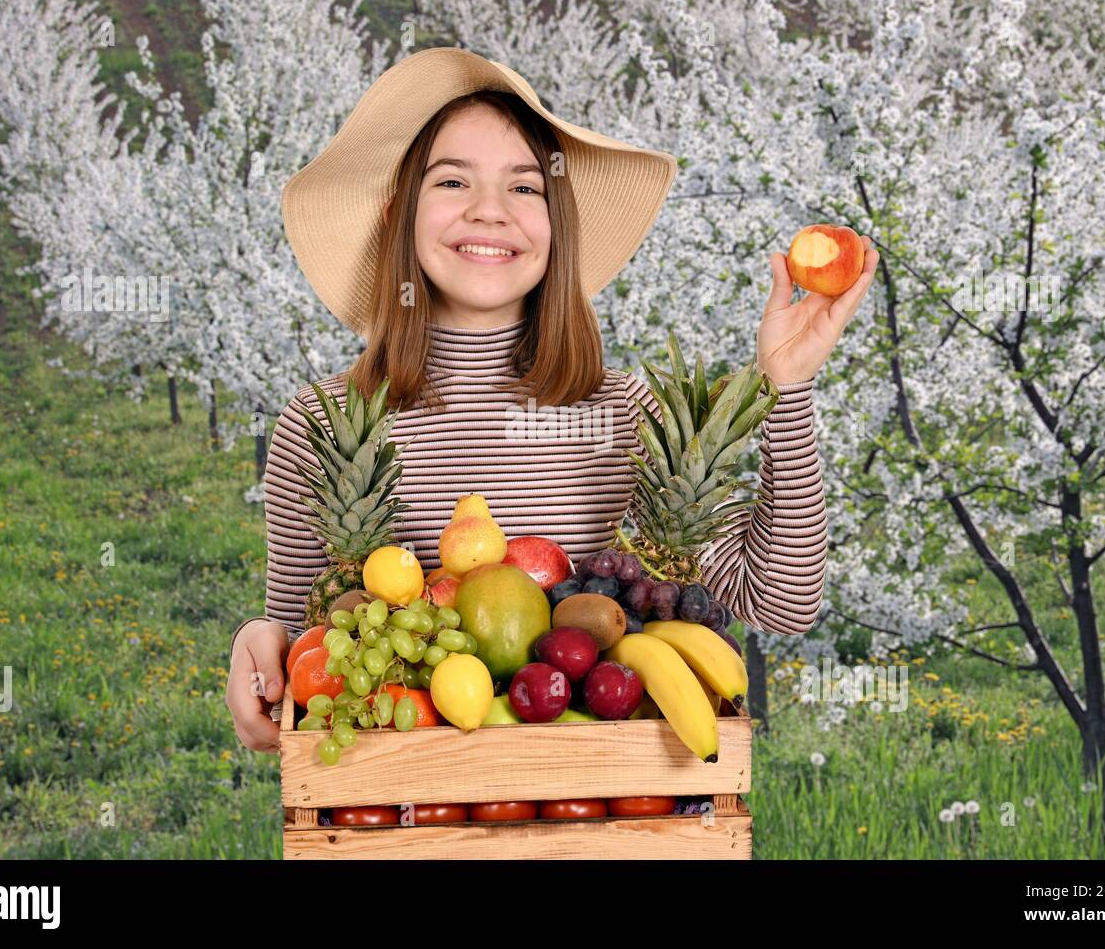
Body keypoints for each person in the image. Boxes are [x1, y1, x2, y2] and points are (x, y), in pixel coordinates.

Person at [226, 48, 878, 751]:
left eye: (526, 188)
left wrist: (787, 389)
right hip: (406, 818)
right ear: (398, 215)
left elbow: (781, 602)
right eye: (451, 182)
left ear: (555, 225)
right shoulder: (323, 426)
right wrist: (259, 639)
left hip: (612, 809)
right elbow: (309, 649)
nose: (489, 212)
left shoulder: (634, 418)